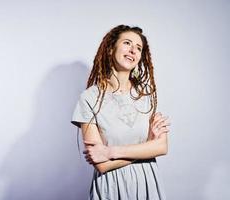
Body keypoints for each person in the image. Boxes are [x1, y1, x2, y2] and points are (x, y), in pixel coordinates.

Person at [71, 24, 170, 200]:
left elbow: (162, 147)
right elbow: (100, 164)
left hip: (147, 182)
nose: (133, 50)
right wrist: (147, 148)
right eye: (127, 43)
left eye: (138, 48)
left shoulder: (146, 95)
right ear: (110, 49)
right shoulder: (89, 98)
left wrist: (110, 152)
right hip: (111, 187)